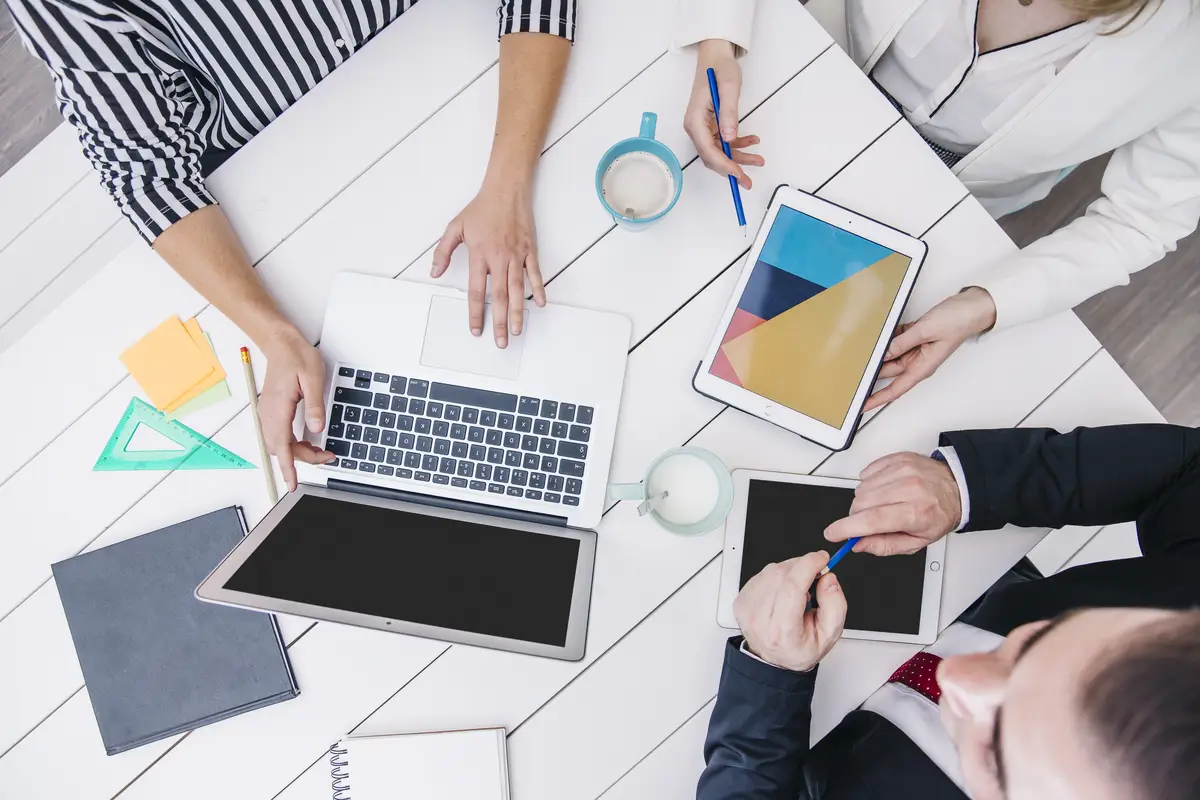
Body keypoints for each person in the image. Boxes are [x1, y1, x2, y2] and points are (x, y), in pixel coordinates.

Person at [9, 0, 577, 489]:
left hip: (473, 70)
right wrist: (275, 336)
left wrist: (506, 184)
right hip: (284, 195)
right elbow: (147, 174)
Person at [676, 0, 1200, 410]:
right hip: (794, 87)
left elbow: (1143, 220)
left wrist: (985, 304)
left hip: (942, 201)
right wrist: (719, 41)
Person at [699, 424, 1200, 799]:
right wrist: (966, 488)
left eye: (996, 750)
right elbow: (1189, 468)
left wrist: (769, 672)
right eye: (1033, 644)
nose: (955, 672)